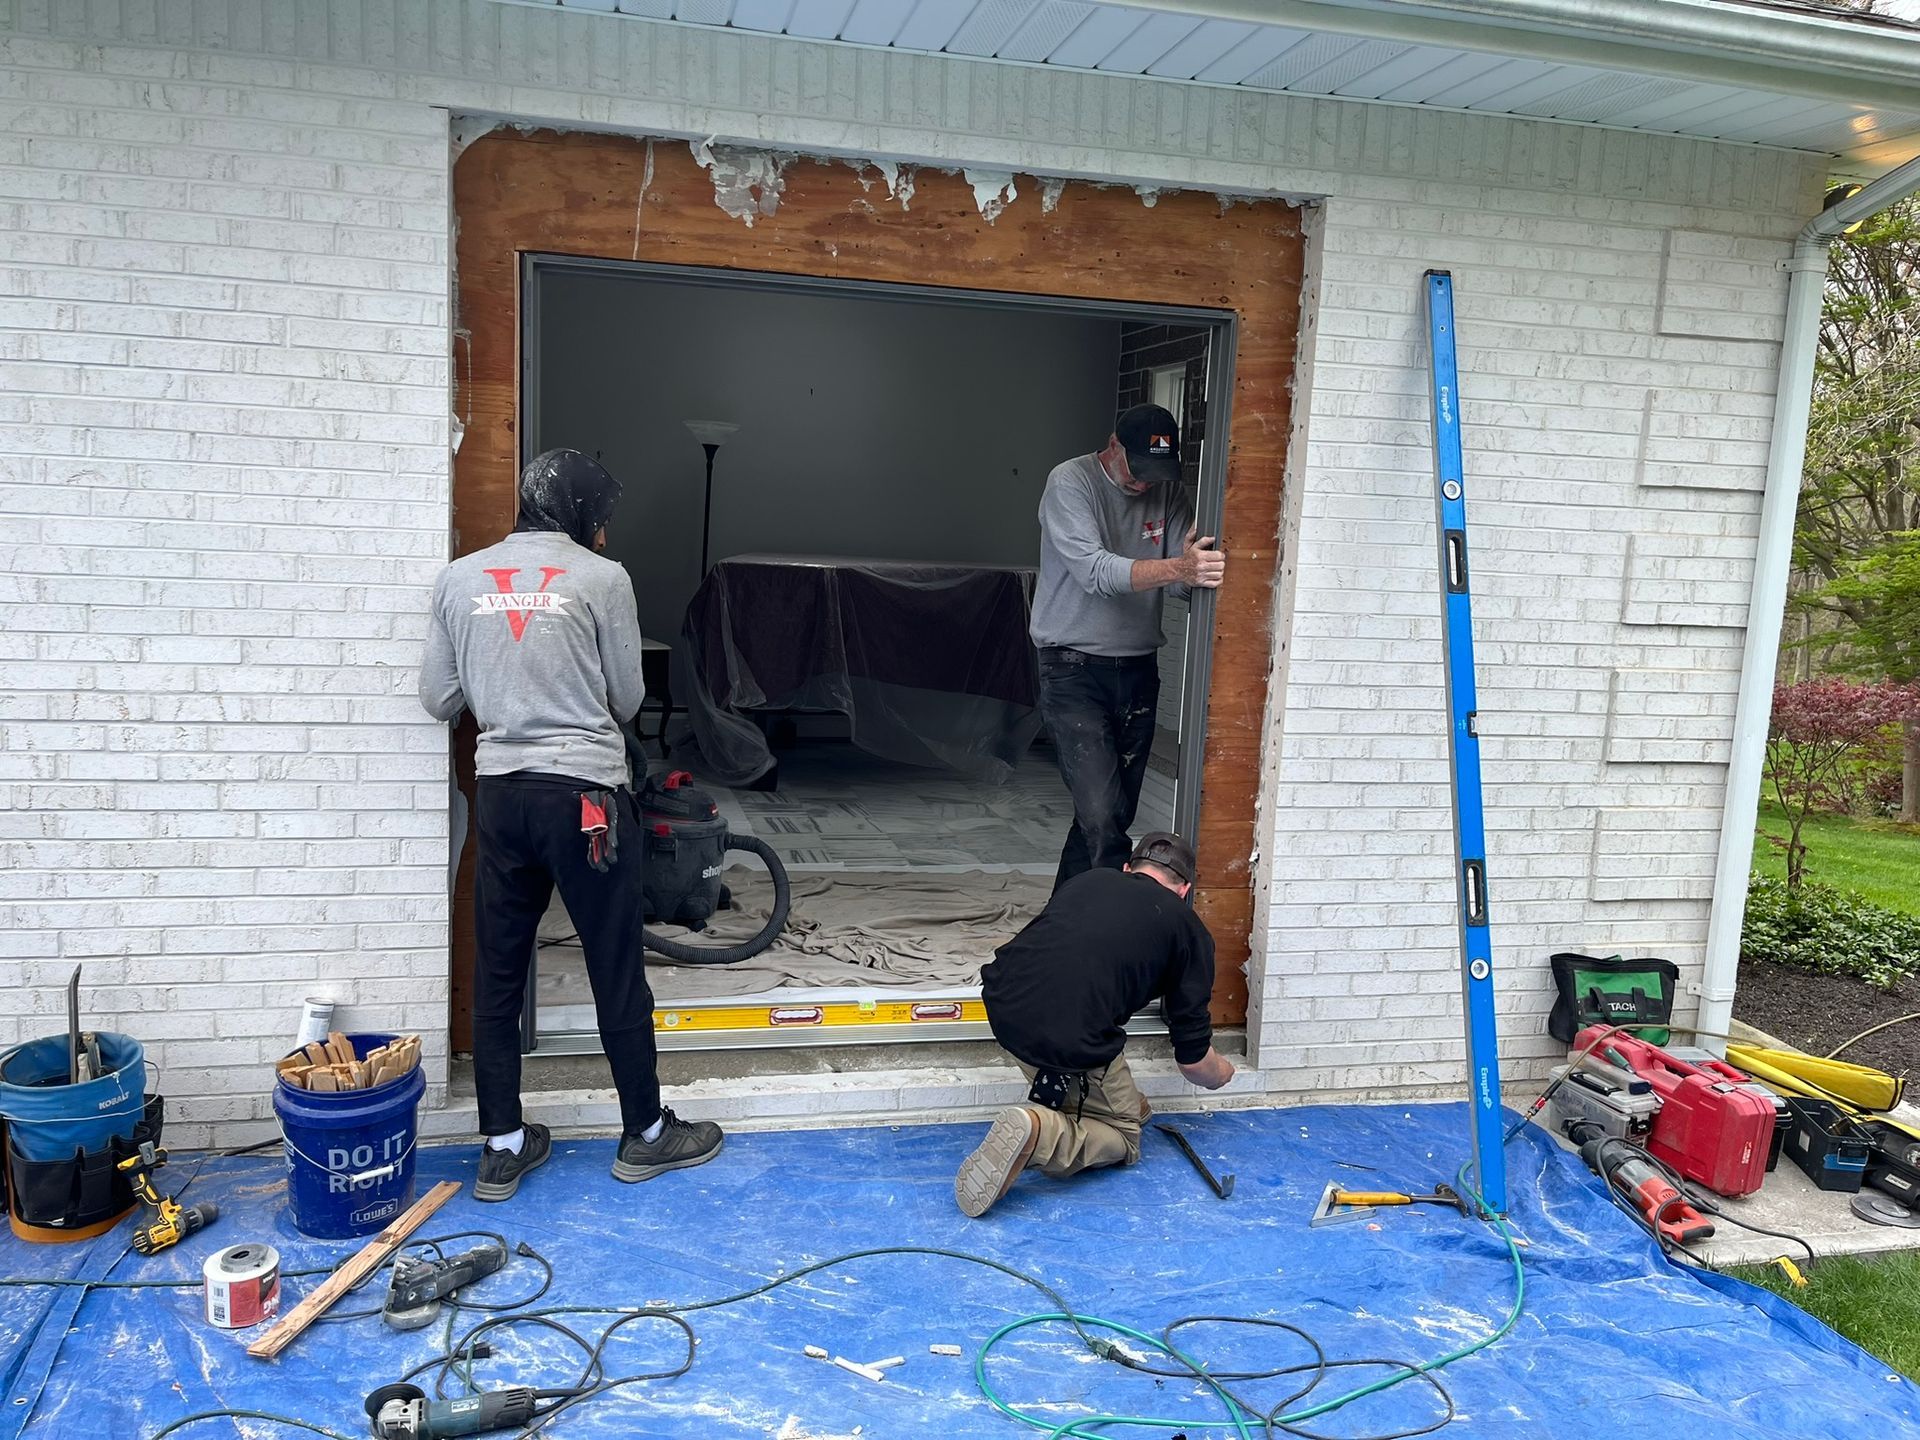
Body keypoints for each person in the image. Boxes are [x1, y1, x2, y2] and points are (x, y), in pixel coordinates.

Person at [419, 448, 723, 1202]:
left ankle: (502, 1145)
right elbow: (625, 699)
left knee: (497, 971)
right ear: (583, 514)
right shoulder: (600, 578)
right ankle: (647, 1134)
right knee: (614, 963)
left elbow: (437, 698)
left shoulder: (459, 578)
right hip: (584, 797)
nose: (608, 536)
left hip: (502, 795)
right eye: (605, 520)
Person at [955, 832, 1233, 1217]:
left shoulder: (1088, 880)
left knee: (1128, 1097)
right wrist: (1222, 1073)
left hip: (1004, 1008)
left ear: (1127, 869)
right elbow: (1194, 1063)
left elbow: (1062, 958)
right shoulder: (1188, 929)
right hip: (1070, 1038)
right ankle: (1040, 1134)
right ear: (1184, 889)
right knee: (1125, 1134)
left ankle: (1077, 1105)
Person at [1031, 403, 1226, 891]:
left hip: (1138, 669)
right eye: (1138, 470)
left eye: (1156, 473)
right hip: (1072, 668)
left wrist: (1206, 568)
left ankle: (1065, 923)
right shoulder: (1070, 482)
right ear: (1113, 446)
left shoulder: (1167, 489)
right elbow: (1096, 573)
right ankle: (1113, 922)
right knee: (1100, 814)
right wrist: (1179, 569)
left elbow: (1180, 580)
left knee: (1109, 815)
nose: (1145, 484)